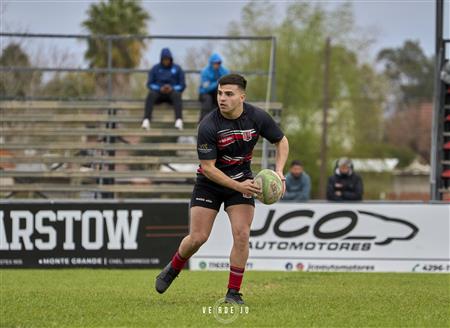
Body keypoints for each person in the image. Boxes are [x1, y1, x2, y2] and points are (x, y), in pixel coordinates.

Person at [154, 74, 289, 304]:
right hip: (210, 184)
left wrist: (279, 172)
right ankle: (174, 267)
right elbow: (208, 168)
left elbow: (281, 141)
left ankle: (233, 293)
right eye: (219, 93)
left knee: (242, 234)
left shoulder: (256, 117)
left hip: (242, 180)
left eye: (228, 94)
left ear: (242, 97)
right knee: (198, 238)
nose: (221, 98)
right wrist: (238, 185)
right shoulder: (208, 125)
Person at [142, 48, 185, 131]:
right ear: (161, 59)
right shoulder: (155, 68)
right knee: (151, 94)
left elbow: (182, 85)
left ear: (170, 59)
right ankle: (146, 120)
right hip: (159, 94)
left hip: (171, 94)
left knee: (177, 94)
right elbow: (150, 84)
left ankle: (179, 120)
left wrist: (172, 88)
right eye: (164, 59)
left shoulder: (177, 69)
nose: (166, 61)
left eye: (168, 59)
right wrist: (159, 88)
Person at [198, 53, 229, 122]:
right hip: (205, 93)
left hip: (217, 93)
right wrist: (217, 82)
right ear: (211, 63)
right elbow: (206, 88)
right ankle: (202, 122)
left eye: (218, 63)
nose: (217, 65)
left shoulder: (225, 71)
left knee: (222, 99)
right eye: (215, 63)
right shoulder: (205, 72)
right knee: (208, 100)